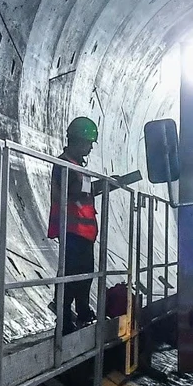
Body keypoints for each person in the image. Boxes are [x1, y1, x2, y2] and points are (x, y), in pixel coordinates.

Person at [48, 116, 140, 331]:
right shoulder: (65, 165)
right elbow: (77, 192)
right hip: (71, 229)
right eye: (89, 143)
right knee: (71, 273)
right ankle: (63, 317)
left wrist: (109, 184)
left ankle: (82, 310)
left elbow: (86, 191)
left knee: (85, 273)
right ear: (78, 141)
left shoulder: (77, 166)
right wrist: (104, 185)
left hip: (82, 232)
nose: (90, 148)